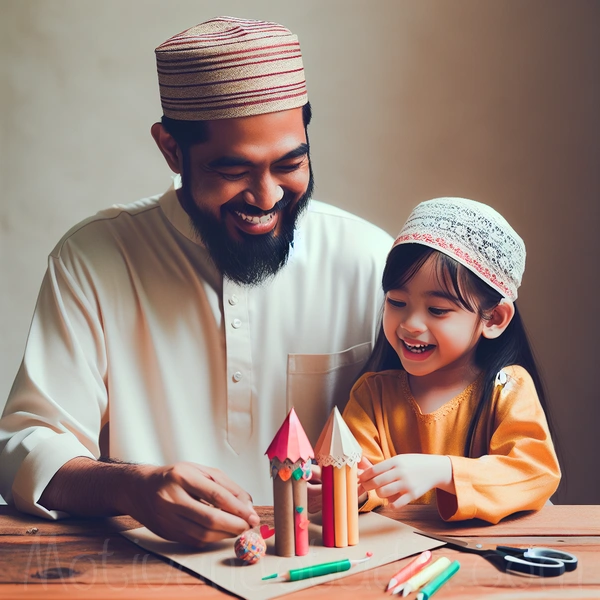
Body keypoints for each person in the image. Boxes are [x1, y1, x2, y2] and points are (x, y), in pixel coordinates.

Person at [0, 16, 393, 546]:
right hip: (151, 573)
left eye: (290, 163)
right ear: (170, 150)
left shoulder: (371, 259)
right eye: (233, 171)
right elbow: (27, 447)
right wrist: (133, 489)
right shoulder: (93, 258)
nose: (267, 197)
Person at [343, 197, 561, 523]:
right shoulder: (372, 395)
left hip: (491, 558)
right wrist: (351, 489)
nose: (410, 324)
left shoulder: (508, 389)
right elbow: (361, 476)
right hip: (398, 555)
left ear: (494, 318)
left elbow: (535, 472)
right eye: (397, 301)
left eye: (437, 310)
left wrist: (444, 471)